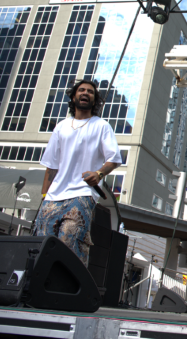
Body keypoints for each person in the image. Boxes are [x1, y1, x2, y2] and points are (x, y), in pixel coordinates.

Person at [33, 79, 122, 265]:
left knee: (70, 241)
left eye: (90, 92)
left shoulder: (101, 126)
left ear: (94, 100)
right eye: (81, 90)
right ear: (73, 97)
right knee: (42, 245)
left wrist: (99, 174)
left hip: (81, 194)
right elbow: (51, 166)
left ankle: (70, 281)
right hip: (53, 197)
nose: (85, 93)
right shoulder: (61, 126)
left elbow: (114, 159)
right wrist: (44, 195)